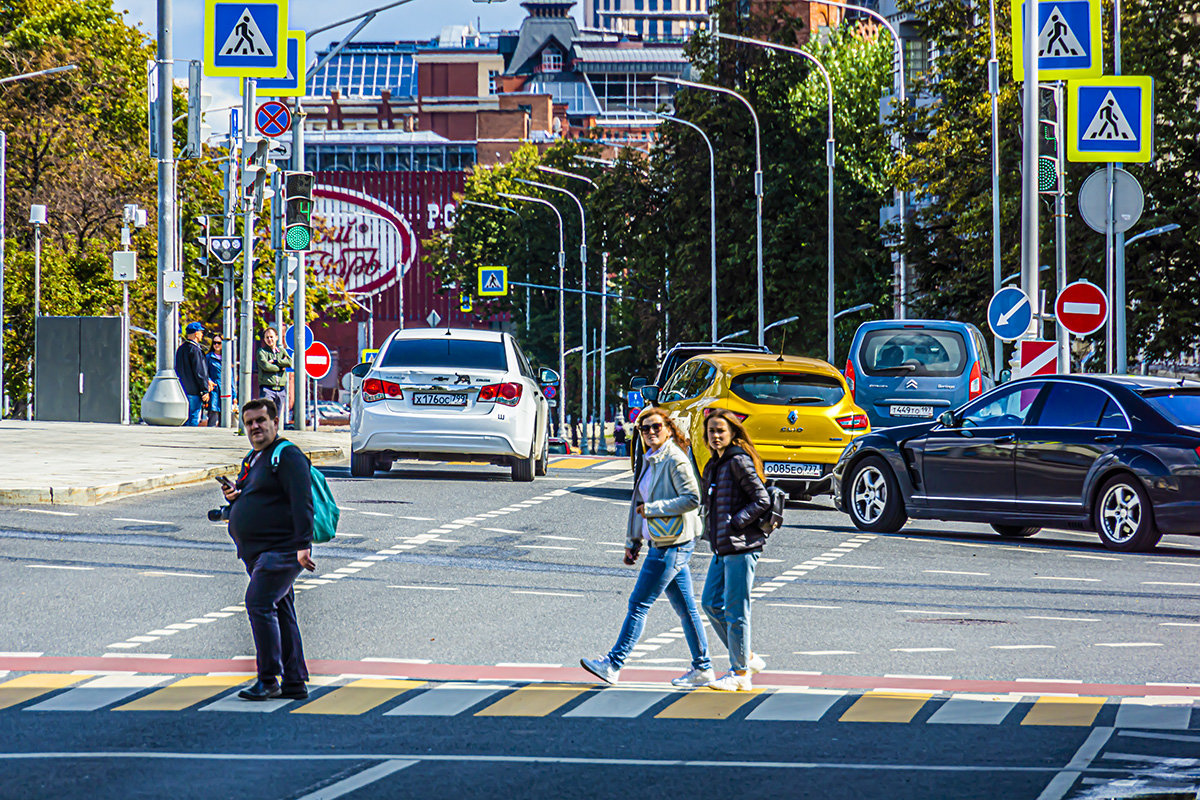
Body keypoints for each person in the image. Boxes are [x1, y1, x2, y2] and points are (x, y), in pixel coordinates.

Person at [580, 407, 714, 688]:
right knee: (686, 609)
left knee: (639, 604)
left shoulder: (674, 459)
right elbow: (636, 504)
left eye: (656, 427)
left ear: (668, 428)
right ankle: (703, 667)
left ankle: (614, 664)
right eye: (644, 429)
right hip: (661, 539)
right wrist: (633, 542)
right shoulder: (649, 459)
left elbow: (692, 498)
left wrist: (654, 509)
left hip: (672, 543)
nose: (650, 432)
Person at [221, 398, 316, 701]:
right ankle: (294, 681)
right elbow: (254, 495)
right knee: (282, 609)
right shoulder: (254, 457)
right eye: (249, 423)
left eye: (261, 420)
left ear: (276, 422)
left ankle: (268, 678)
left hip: (282, 549)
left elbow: (302, 502)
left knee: (259, 604)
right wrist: (234, 495)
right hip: (259, 551)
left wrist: (303, 546)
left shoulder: (287, 456)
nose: (255, 427)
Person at [699, 408, 771, 692]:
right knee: (710, 602)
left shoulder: (738, 460)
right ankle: (747, 656)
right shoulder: (714, 464)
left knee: (736, 611)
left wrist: (736, 522)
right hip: (723, 546)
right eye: (711, 431)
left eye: (721, 431)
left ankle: (740, 672)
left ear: (732, 433)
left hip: (742, 546)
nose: (715, 436)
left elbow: (762, 499)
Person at [174, 322, 213, 426]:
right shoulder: (195, 350)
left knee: (184, 419)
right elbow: (199, 372)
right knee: (193, 418)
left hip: (182, 390)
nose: (202, 334)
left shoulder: (181, 349)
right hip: (194, 391)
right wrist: (204, 389)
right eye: (201, 332)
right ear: (196, 334)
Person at [257, 327, 292, 426]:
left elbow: (289, 362)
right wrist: (281, 368)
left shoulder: (282, 351)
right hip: (267, 388)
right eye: (267, 337)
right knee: (267, 415)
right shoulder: (261, 352)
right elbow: (266, 366)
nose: (269, 339)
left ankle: (273, 436)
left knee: (276, 417)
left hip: (281, 389)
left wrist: (277, 361)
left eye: (271, 337)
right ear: (264, 339)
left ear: (276, 337)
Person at [205, 333, 234, 428]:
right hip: (214, 389)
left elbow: (231, 377)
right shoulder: (209, 357)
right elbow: (205, 372)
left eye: (219, 343)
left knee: (225, 419)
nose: (216, 345)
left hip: (226, 389)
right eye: (214, 343)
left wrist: (234, 395)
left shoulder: (227, 358)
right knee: (213, 415)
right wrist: (209, 381)